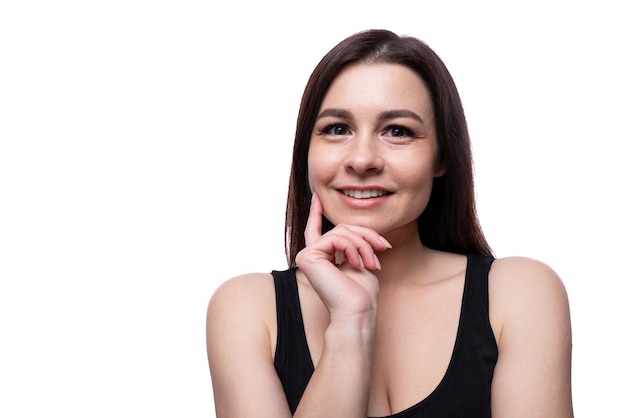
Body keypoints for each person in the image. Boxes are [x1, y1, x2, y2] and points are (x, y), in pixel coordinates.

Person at [206, 29, 573, 417]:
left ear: (441, 158)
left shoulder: (520, 294)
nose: (362, 159)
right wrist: (351, 324)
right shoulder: (246, 309)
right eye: (337, 129)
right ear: (305, 152)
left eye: (397, 131)